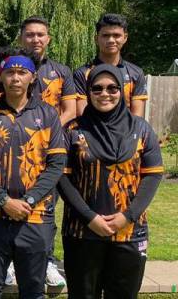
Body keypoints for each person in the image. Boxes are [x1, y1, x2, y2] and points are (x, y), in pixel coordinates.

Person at [59, 64, 164, 299]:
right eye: (97, 88)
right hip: (82, 232)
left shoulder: (142, 129)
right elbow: (62, 178)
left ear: (121, 90)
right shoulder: (73, 131)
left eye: (112, 88)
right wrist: (90, 217)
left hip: (129, 232)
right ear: (88, 92)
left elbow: (152, 175)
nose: (105, 93)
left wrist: (127, 216)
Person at [0, 48, 66, 298]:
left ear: (32, 77)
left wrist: (28, 200)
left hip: (34, 216)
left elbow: (56, 164)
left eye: (22, 72)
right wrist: (3, 200)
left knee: (33, 290)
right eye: (10, 72)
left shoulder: (48, 114)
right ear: (1, 76)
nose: (15, 78)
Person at [14, 15, 77, 287]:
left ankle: (48, 259)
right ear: (21, 38)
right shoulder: (12, 69)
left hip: (50, 151)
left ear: (48, 38)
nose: (35, 39)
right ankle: (11, 261)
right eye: (29, 35)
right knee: (14, 201)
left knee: (47, 206)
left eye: (40, 34)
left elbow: (71, 110)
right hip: (16, 151)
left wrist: (46, 132)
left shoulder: (62, 72)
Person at [74, 13, 147, 117]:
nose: (111, 40)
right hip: (92, 131)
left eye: (116, 35)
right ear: (96, 39)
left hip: (126, 132)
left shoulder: (136, 73)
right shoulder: (81, 73)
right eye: (105, 35)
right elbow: (82, 115)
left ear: (125, 38)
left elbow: (137, 118)